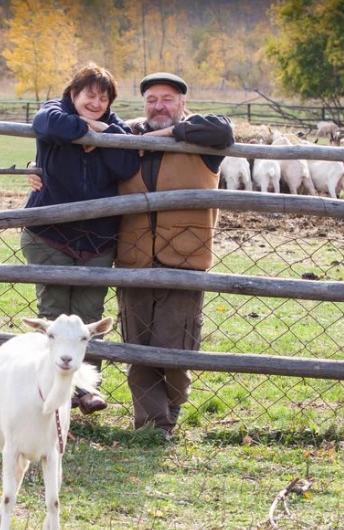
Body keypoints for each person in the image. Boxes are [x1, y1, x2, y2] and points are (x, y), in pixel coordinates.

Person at [115, 72, 234, 436]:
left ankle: (172, 406)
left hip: (185, 258)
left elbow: (223, 131)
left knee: (176, 349)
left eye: (167, 99)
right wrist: (32, 170)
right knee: (138, 348)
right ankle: (154, 426)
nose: (159, 106)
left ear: (183, 103)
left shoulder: (202, 138)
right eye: (151, 99)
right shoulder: (125, 137)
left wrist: (165, 133)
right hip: (134, 258)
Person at [22, 62, 140, 414]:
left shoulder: (115, 128)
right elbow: (47, 124)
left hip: (97, 241)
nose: (96, 102)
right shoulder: (54, 113)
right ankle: (52, 395)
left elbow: (127, 165)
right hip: (50, 236)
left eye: (103, 98)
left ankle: (86, 389)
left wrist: (102, 136)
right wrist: (91, 130)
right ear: (73, 94)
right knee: (56, 316)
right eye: (89, 95)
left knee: (90, 319)